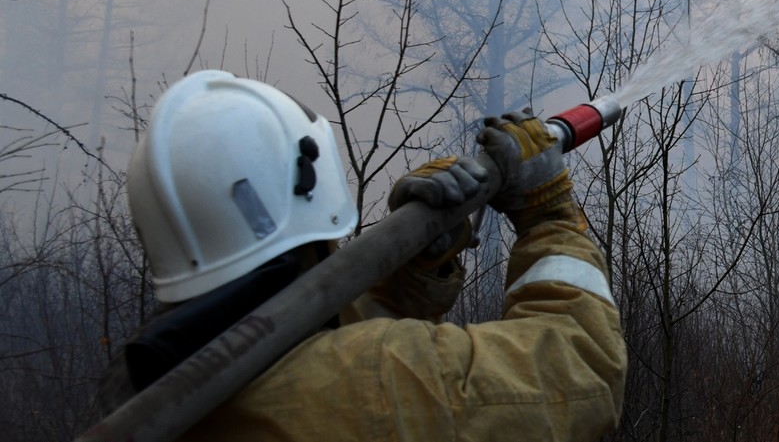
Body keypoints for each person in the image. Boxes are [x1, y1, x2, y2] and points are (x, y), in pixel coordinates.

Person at [102, 70, 626, 441]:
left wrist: (412, 270)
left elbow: (311, 351)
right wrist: (549, 213)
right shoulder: (377, 379)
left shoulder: (148, 387)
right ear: (312, 182)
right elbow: (581, 369)